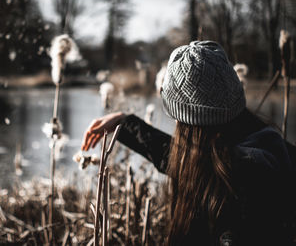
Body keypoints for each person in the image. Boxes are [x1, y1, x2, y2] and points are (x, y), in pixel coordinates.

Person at [81, 41, 296, 245]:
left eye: (177, 118)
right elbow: (184, 160)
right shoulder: (271, 150)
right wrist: (126, 124)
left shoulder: (237, 187)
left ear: (192, 122)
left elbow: (191, 165)